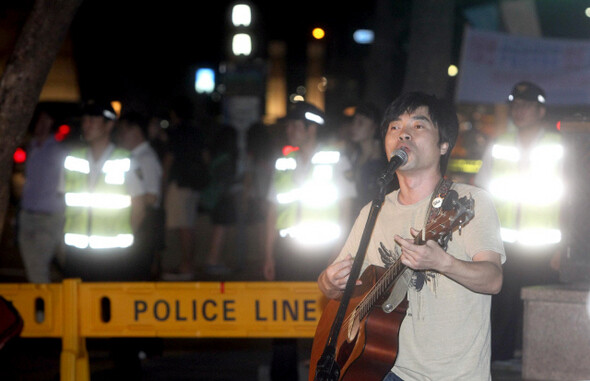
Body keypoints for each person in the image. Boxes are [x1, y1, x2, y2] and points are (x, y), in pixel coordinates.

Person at [317, 92, 505, 380]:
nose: (403, 134)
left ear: (444, 144)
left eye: (418, 126)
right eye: (394, 127)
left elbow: (493, 280)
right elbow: (331, 284)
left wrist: (444, 262)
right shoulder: (374, 209)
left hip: (454, 375)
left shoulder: (468, 201)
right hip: (384, 368)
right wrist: (329, 282)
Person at [264, 101, 357, 381]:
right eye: (288, 125)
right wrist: (268, 255)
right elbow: (272, 211)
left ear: (311, 129)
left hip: (321, 253)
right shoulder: (284, 162)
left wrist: (338, 253)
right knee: (283, 319)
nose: (289, 130)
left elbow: (346, 210)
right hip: (286, 251)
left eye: (294, 125)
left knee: (325, 321)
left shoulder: (335, 160)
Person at [474, 81, 563, 363]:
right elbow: (482, 190)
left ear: (540, 111)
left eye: (526, 105)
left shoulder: (558, 146)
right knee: (502, 301)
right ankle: (499, 358)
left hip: (543, 244)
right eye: (515, 105)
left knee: (538, 306)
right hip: (503, 240)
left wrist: (564, 246)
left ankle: (536, 360)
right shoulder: (499, 144)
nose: (519, 110)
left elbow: (570, 197)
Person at [60, 100, 142, 281]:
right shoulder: (73, 159)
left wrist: (126, 244)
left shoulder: (125, 161)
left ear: (109, 125)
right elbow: (62, 202)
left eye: (93, 119)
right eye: (84, 119)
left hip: (113, 255)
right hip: (77, 252)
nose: (86, 124)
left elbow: (139, 207)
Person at [161, 96, 209, 280]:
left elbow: (169, 160)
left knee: (183, 226)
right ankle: (188, 264)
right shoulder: (197, 132)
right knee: (188, 224)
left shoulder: (176, 132)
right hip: (194, 184)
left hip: (180, 183)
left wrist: (163, 184)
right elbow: (206, 157)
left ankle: (186, 266)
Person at [18, 105, 68, 283]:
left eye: (46, 120)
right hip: (27, 215)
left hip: (49, 217)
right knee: (34, 267)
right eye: (39, 120)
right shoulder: (30, 147)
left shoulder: (59, 151)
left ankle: (42, 310)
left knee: (38, 268)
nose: (42, 124)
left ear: (51, 122)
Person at [116, 111, 164, 280]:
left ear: (135, 130)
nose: (120, 136)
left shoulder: (145, 158)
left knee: (137, 273)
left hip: (145, 223)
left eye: (123, 130)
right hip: (140, 221)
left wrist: (124, 200)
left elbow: (152, 197)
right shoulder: (136, 156)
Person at [346, 102, 389, 217]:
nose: (354, 127)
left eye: (361, 123)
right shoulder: (354, 155)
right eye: (354, 121)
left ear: (374, 127)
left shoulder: (379, 164)